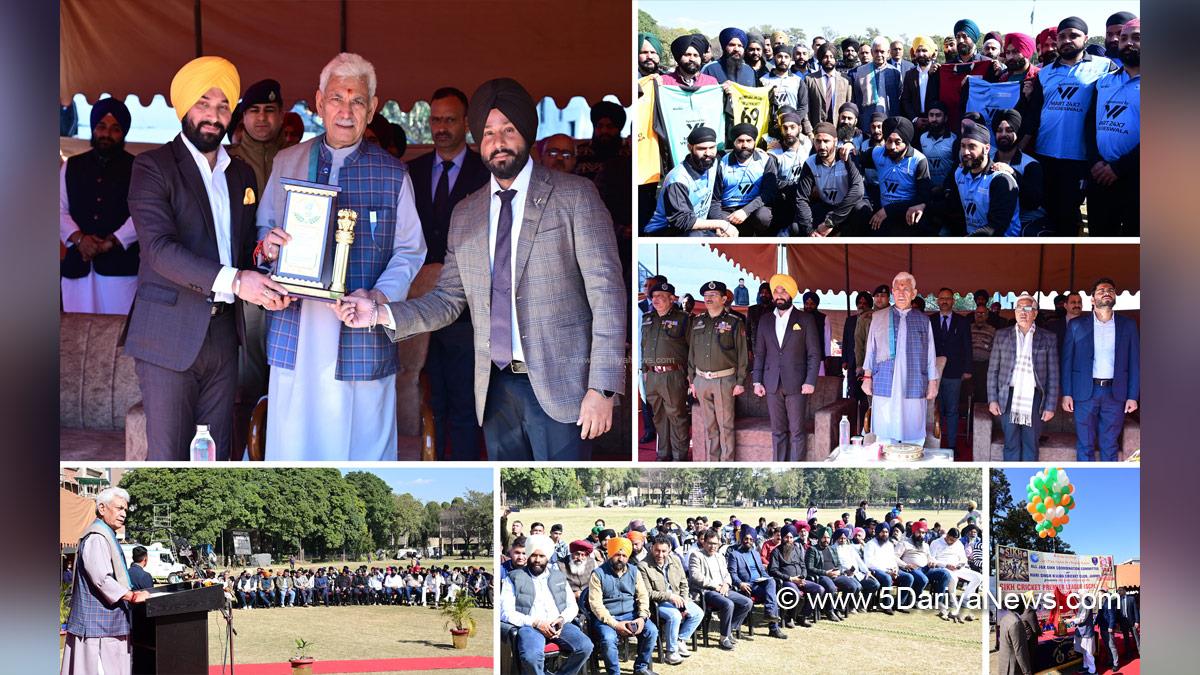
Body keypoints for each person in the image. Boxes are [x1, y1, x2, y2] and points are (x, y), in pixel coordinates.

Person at [339, 78, 625, 460]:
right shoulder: (468, 213)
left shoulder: (574, 196)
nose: (498, 141)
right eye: (488, 132)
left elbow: (608, 295)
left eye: (508, 129)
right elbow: (447, 300)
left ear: (526, 132)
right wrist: (380, 313)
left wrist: (603, 388)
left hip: (565, 390)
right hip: (494, 390)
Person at [256, 53, 426, 460]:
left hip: (361, 331)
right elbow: (261, 237)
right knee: (292, 448)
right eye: (336, 98)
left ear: (372, 108)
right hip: (295, 326)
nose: (345, 111)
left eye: (356, 101)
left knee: (362, 449)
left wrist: (379, 297)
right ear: (318, 102)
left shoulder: (393, 174)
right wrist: (269, 251)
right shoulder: (287, 162)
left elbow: (410, 251)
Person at [123, 56, 278, 459]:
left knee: (217, 458)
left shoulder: (240, 174)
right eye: (203, 103)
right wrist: (238, 281)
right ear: (184, 107)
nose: (213, 115)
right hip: (168, 335)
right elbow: (159, 250)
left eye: (223, 105)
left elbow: (242, 252)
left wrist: (265, 252)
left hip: (225, 336)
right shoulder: (153, 167)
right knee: (170, 459)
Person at [407, 86, 490, 460]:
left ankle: (466, 465)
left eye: (449, 120)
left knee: (464, 403)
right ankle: (432, 461)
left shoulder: (487, 172)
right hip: (420, 302)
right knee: (427, 397)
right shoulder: (412, 171)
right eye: (435, 120)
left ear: (467, 124)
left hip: (467, 307)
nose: (441, 128)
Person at [1023, 17, 1115, 235]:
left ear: (1086, 38)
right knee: (1049, 212)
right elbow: (1034, 116)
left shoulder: (1104, 67)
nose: (1067, 40)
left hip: (1080, 158)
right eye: (1062, 36)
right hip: (1045, 154)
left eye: (1073, 35)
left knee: (1070, 215)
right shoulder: (1044, 73)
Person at [60, 98, 139, 315]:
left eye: (115, 129)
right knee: (75, 336)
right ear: (94, 128)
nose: (106, 134)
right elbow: (58, 210)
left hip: (120, 269)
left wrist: (113, 241)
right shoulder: (71, 166)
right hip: (78, 265)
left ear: (123, 133)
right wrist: (79, 239)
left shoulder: (138, 168)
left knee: (115, 337)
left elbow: (142, 214)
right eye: (101, 127)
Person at [62, 488, 150, 675]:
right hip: (98, 630)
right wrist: (132, 596)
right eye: (119, 508)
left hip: (107, 627)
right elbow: (102, 578)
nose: (123, 514)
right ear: (102, 508)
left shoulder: (105, 534)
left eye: (125, 510)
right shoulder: (97, 537)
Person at [1061, 277, 1139, 461]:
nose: (1106, 292)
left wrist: (1132, 396)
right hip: (1084, 392)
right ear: (1092, 298)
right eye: (1101, 290)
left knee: (1110, 444)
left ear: (1115, 296)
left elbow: (1135, 363)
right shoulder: (1076, 325)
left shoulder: (1128, 326)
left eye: (1110, 290)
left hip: (1115, 393)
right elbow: (1067, 361)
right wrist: (1067, 393)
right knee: (1085, 444)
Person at [863, 272, 939, 445]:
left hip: (913, 380)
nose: (901, 293)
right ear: (892, 292)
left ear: (913, 293)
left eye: (906, 289)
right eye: (897, 289)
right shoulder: (879, 317)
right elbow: (870, 351)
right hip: (884, 378)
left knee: (913, 431)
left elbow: (930, 354)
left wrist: (933, 383)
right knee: (884, 435)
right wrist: (867, 378)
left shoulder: (923, 321)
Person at [752, 274, 820, 461]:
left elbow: (814, 354)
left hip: (797, 384)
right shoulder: (765, 320)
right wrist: (757, 380)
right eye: (776, 291)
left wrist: (810, 381)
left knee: (797, 431)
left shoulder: (805, 319)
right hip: (771, 383)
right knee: (777, 431)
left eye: (783, 291)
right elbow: (760, 353)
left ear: (791, 294)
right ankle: (779, 469)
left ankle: (796, 472)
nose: (779, 295)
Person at [501, 534, 592, 675]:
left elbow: (572, 606)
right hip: (530, 626)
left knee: (585, 647)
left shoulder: (559, 576)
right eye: (533, 555)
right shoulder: (513, 578)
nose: (537, 560)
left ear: (548, 557)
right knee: (531, 658)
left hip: (559, 625)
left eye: (541, 556)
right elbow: (505, 612)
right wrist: (536, 623)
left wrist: (562, 619)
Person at [987, 292, 1060, 460]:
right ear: (1014, 312)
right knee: (1010, 443)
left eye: (1028, 308)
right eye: (1019, 308)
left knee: (1031, 443)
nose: (1023, 312)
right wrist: (992, 399)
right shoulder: (1002, 335)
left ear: (1035, 313)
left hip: (1035, 398)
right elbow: (993, 370)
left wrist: (1050, 406)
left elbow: (1054, 375)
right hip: (1007, 396)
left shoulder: (1047, 338)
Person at [1088, 19, 1139, 236]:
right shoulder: (1104, 81)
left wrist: (1119, 168)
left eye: (1136, 38)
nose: (1127, 43)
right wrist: (1096, 161)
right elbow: (1090, 125)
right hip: (1101, 176)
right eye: (1124, 38)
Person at [688, 281, 748, 461]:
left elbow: (742, 354)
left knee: (725, 425)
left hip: (724, 380)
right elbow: (692, 352)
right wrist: (692, 381)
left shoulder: (734, 322)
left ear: (724, 299)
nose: (708, 298)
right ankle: (713, 461)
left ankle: (727, 461)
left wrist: (740, 382)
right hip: (701, 380)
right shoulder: (697, 321)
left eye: (713, 295)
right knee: (710, 426)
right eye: (706, 295)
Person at [588, 537, 658, 675]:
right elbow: (596, 604)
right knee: (608, 639)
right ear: (610, 554)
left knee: (652, 631)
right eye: (617, 555)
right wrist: (615, 624)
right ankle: (614, 673)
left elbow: (643, 596)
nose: (620, 558)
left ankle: (641, 668)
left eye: (624, 555)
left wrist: (642, 617)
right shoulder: (598, 574)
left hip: (632, 614)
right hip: (608, 618)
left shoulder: (634, 571)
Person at [643, 127, 731, 236]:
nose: (708, 153)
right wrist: (720, 224)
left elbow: (713, 200)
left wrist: (720, 227)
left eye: (712, 147)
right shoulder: (678, 179)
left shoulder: (714, 165)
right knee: (696, 236)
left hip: (696, 226)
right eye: (701, 148)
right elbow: (682, 221)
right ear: (690, 147)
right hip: (665, 230)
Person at [854, 117, 933, 236]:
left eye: (897, 142)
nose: (892, 147)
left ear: (906, 142)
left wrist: (890, 210)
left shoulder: (918, 161)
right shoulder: (877, 153)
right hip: (882, 212)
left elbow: (924, 197)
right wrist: (849, 146)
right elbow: (856, 157)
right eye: (889, 141)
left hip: (906, 213)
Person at [941, 119, 1021, 236]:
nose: (965, 152)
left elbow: (996, 227)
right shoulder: (960, 173)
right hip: (973, 240)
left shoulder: (1001, 180)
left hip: (1004, 245)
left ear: (987, 149)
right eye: (963, 146)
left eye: (972, 146)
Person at [641, 281, 692, 461]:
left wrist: (689, 375)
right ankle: (663, 454)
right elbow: (644, 345)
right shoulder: (648, 319)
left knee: (677, 416)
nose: (656, 299)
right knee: (659, 417)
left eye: (661, 296)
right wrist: (645, 370)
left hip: (673, 374)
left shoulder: (684, 318)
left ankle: (679, 457)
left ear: (672, 299)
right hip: (652, 375)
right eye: (653, 296)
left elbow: (692, 349)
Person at [793, 122, 871, 236]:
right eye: (818, 141)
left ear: (835, 141)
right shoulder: (810, 163)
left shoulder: (846, 156)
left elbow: (857, 191)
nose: (822, 146)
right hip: (828, 206)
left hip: (848, 206)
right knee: (797, 227)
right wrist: (809, 230)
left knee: (862, 211)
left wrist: (830, 222)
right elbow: (801, 198)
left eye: (826, 141)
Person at [639, 535, 702, 663]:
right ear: (652, 549)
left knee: (697, 613)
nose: (660, 554)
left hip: (679, 599)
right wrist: (670, 596)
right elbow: (647, 592)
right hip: (658, 603)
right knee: (675, 616)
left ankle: (680, 640)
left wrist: (683, 602)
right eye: (657, 550)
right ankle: (671, 652)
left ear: (669, 550)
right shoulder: (643, 566)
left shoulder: (676, 560)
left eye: (663, 551)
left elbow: (684, 583)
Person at [688, 529, 752, 650]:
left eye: (715, 544)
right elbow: (695, 576)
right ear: (704, 543)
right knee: (728, 604)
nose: (713, 546)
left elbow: (727, 574)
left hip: (723, 589)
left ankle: (728, 630)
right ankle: (724, 639)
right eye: (710, 543)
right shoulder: (697, 555)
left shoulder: (720, 556)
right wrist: (715, 586)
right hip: (706, 591)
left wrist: (727, 584)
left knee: (747, 603)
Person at [710, 124, 777, 235]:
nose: (745, 145)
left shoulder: (765, 160)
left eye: (749, 141)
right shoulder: (722, 163)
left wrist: (745, 211)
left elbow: (768, 193)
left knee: (763, 216)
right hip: (728, 210)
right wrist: (719, 223)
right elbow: (714, 199)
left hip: (754, 207)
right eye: (740, 141)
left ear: (754, 142)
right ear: (733, 142)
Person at [990, 109, 1048, 234]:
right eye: (999, 130)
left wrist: (1013, 174)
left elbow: (1033, 202)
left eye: (1009, 130)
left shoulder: (1030, 165)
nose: (1003, 134)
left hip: (1026, 222)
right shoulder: (988, 160)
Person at [726, 526, 787, 638]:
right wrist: (740, 583)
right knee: (772, 596)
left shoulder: (755, 553)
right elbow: (732, 574)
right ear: (741, 539)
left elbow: (763, 572)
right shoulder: (734, 554)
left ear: (753, 541)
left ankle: (770, 614)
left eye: (751, 539)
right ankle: (773, 626)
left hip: (759, 583)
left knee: (771, 582)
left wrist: (767, 578)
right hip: (747, 585)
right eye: (746, 539)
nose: (748, 541)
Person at [931, 288, 972, 450]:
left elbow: (967, 347)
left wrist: (967, 369)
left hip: (954, 373)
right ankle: (934, 445)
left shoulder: (962, 322)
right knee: (933, 410)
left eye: (948, 298)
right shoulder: (930, 320)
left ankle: (951, 447)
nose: (944, 301)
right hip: (932, 374)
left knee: (952, 411)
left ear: (953, 301)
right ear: (937, 301)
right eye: (941, 298)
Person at [765, 111, 813, 229]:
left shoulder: (807, 145)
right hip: (784, 199)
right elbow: (774, 182)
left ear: (800, 128)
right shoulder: (774, 153)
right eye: (785, 128)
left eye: (792, 127)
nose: (789, 132)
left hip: (805, 197)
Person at [805, 527, 861, 617]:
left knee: (852, 586)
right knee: (831, 588)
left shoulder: (832, 549)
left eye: (828, 537)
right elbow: (810, 567)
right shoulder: (813, 550)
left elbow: (838, 563)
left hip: (835, 575)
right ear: (819, 538)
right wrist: (826, 573)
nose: (826, 540)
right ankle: (829, 610)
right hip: (822, 575)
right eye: (824, 537)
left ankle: (838, 608)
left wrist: (838, 570)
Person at [850, 37, 902, 133]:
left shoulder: (895, 72)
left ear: (888, 53)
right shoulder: (861, 71)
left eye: (882, 52)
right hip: (867, 118)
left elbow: (898, 94)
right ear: (872, 52)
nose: (879, 55)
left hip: (889, 116)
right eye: (876, 51)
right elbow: (857, 96)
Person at [929, 528, 981, 622]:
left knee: (978, 577)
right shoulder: (936, 542)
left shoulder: (958, 544)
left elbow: (964, 559)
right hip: (943, 567)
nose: (952, 542)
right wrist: (946, 565)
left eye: (955, 540)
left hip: (957, 567)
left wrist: (960, 565)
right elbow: (932, 559)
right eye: (951, 540)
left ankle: (965, 599)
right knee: (953, 578)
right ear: (947, 535)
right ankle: (953, 601)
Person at [804, 43, 853, 134]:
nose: (829, 60)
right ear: (820, 58)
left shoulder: (845, 80)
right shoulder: (810, 79)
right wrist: (809, 131)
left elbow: (849, 107)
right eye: (825, 57)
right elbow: (805, 107)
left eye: (831, 57)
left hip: (839, 130)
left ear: (836, 59)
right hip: (816, 130)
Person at [900, 36, 941, 131]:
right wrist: (915, 119)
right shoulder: (910, 74)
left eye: (924, 50)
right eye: (918, 51)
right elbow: (905, 100)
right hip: (916, 123)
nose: (921, 54)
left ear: (931, 52)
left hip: (936, 122)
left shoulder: (939, 71)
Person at [914, 102, 956, 189]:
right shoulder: (922, 138)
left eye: (938, 115)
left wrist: (946, 186)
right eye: (931, 115)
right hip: (927, 188)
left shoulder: (954, 139)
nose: (934, 119)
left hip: (948, 189)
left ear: (945, 118)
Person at [998, 594, 1035, 675]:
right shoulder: (1016, 623)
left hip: (1003, 662)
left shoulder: (1005, 618)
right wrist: (1027, 672)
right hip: (1012, 666)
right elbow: (1020, 651)